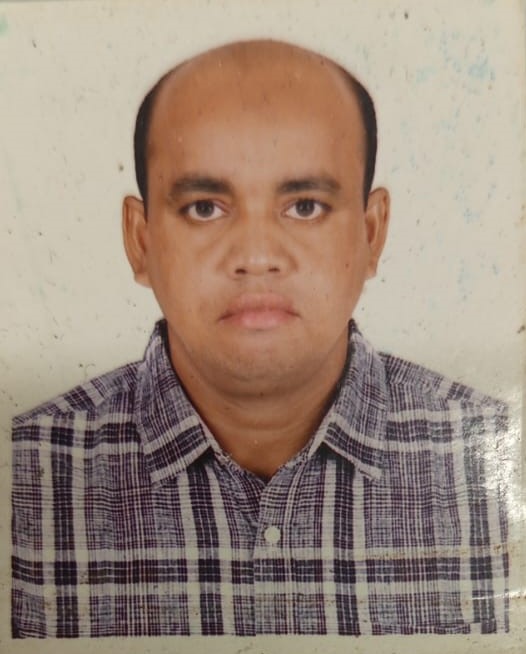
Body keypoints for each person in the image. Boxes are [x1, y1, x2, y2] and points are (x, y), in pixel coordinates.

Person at [11, 39, 509, 638]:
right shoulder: (24, 478)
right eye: (204, 208)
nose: (256, 256)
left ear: (371, 234)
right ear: (140, 241)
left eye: (305, 206)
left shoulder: (496, 463)